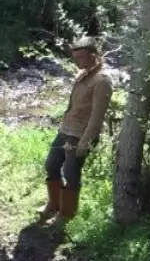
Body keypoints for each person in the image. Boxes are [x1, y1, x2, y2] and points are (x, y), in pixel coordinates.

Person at [38, 37, 113, 226]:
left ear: (93, 56)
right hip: (65, 130)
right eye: (75, 57)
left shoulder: (102, 80)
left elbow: (97, 116)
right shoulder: (82, 74)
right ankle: (53, 205)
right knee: (51, 165)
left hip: (79, 135)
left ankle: (66, 214)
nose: (76, 61)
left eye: (80, 57)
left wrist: (85, 142)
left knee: (71, 173)